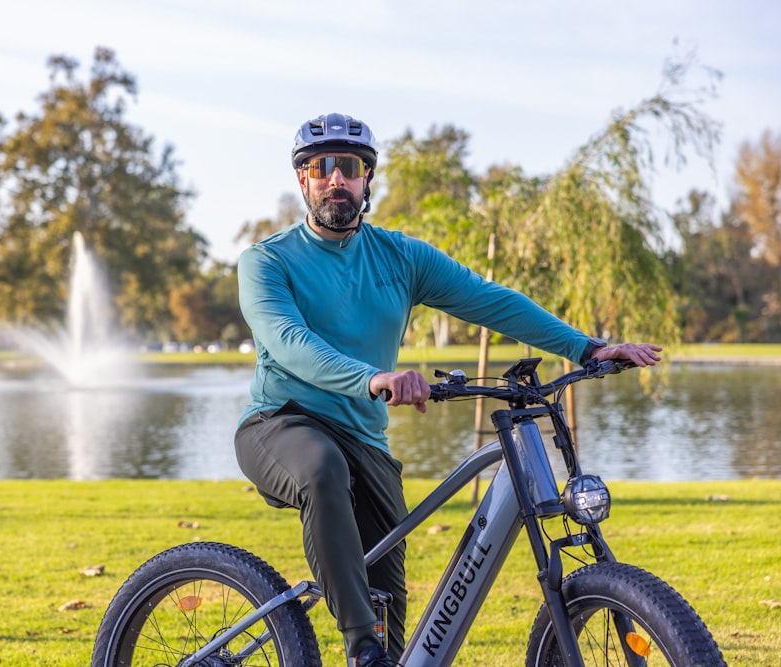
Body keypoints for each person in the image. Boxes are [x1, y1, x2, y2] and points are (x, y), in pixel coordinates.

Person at [233, 112, 662, 666]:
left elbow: (489, 299)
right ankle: (361, 646)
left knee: (389, 606)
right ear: (303, 180)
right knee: (321, 472)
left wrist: (584, 347)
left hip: (365, 439)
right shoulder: (265, 261)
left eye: (351, 168)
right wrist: (373, 378)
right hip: (281, 423)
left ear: (368, 181)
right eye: (322, 168)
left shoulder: (401, 257)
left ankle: (376, 649)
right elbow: (288, 341)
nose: (336, 179)